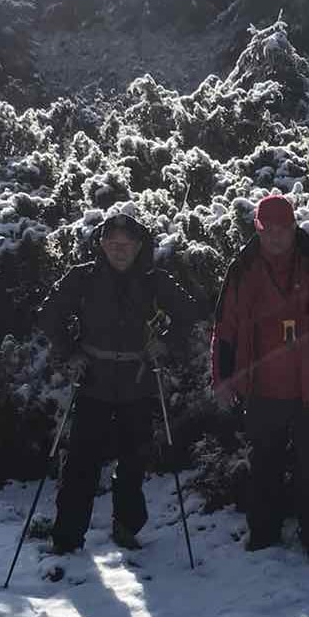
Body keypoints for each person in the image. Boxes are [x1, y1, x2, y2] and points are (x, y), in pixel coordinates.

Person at [37, 211, 201, 554]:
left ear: (139, 246)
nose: (119, 250)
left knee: (133, 462)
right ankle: (67, 538)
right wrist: (70, 352)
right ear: (101, 244)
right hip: (93, 382)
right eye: (112, 243)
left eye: (126, 244)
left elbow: (187, 314)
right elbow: (49, 314)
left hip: (137, 383)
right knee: (80, 463)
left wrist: (166, 343)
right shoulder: (83, 278)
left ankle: (126, 527)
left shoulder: (155, 281)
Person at [210, 195, 309, 565]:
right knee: (264, 465)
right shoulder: (241, 268)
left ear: (294, 226)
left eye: (283, 229)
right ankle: (263, 535)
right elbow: (224, 328)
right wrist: (222, 379)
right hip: (261, 389)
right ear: (258, 229)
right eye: (268, 230)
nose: (276, 237)